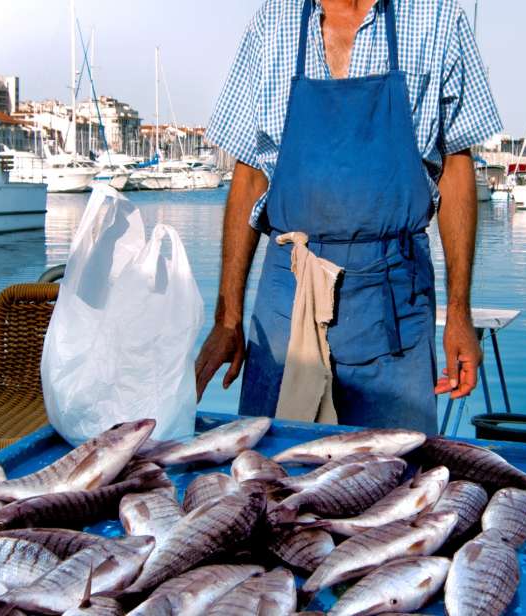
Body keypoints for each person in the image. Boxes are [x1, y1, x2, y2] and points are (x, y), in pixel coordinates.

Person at [197, 0, 502, 432]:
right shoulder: (272, 25)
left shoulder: (439, 20)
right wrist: (227, 320)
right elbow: (248, 177)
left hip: (394, 296)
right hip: (288, 292)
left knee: (397, 476)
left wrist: (459, 314)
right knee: (271, 475)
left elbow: (456, 165)